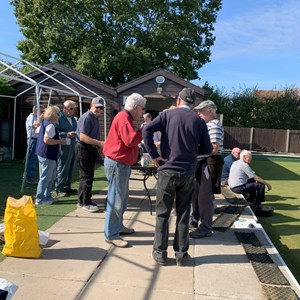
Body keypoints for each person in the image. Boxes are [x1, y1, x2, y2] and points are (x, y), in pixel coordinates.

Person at [143, 88, 212, 266]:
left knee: (163, 214)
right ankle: (181, 254)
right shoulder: (198, 121)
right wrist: (191, 153)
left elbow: (146, 131)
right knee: (183, 214)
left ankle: (160, 253)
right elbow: (207, 149)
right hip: (187, 172)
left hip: (167, 170)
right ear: (193, 103)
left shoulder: (167, 115)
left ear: (179, 100)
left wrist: (154, 154)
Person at [103, 93, 146, 248]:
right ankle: (111, 234)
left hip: (120, 164)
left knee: (122, 198)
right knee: (116, 200)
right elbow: (131, 140)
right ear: (136, 106)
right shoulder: (123, 118)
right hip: (117, 164)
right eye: (142, 108)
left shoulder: (124, 117)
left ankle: (117, 226)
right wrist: (143, 131)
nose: (142, 112)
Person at [190, 100, 224, 239]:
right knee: (197, 194)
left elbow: (214, 147)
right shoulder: (208, 124)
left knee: (205, 197)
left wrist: (195, 153)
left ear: (209, 110)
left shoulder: (213, 124)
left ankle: (205, 228)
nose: (198, 113)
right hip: (203, 162)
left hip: (209, 163)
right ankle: (195, 220)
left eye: (201, 110)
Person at [75, 96, 105, 212]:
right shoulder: (87, 117)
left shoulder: (94, 117)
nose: (99, 110)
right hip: (84, 148)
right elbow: (83, 137)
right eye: (97, 107)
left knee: (86, 176)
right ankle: (85, 202)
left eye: (101, 108)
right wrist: (99, 143)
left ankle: (82, 200)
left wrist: (97, 146)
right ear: (91, 105)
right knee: (86, 177)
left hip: (89, 148)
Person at [35, 105, 67, 205]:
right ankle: (40, 199)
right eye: (58, 114)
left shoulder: (46, 123)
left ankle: (47, 196)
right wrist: (60, 141)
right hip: (47, 154)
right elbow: (47, 140)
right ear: (53, 115)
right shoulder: (50, 125)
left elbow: (38, 132)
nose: (59, 116)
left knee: (50, 176)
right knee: (45, 177)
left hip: (44, 153)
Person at [55, 100, 78, 196]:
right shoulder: (59, 118)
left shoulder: (73, 118)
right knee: (63, 167)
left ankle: (67, 186)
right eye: (71, 108)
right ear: (65, 109)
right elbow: (55, 133)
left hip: (73, 145)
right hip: (63, 146)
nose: (73, 110)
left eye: (74, 108)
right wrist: (67, 134)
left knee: (71, 167)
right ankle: (59, 188)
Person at [25, 106, 44, 183]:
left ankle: (31, 175)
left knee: (34, 159)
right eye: (41, 111)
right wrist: (41, 119)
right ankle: (29, 177)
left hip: (36, 140)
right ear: (36, 111)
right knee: (31, 159)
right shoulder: (31, 117)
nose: (42, 112)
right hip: (32, 140)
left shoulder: (36, 117)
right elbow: (36, 126)